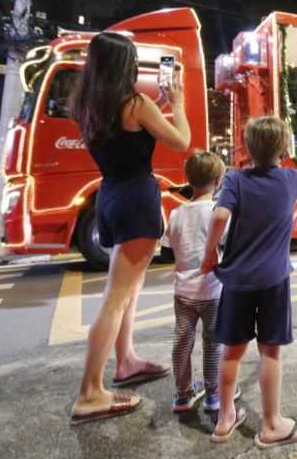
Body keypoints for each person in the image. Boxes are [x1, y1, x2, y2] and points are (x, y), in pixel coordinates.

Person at [69, 32, 191, 425]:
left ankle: (126, 360)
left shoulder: (88, 104)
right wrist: (179, 103)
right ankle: (89, 393)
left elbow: (129, 134)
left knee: (127, 290)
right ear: (126, 66)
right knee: (115, 298)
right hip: (137, 199)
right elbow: (182, 141)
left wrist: (158, 105)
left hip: (111, 195)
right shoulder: (135, 103)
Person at [201, 116, 297, 446]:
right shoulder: (291, 179)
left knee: (231, 352)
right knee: (270, 352)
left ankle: (224, 419)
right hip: (274, 281)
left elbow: (219, 216)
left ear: (247, 148)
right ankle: (271, 425)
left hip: (237, 280)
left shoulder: (236, 180)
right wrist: (289, 161)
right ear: (284, 148)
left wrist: (209, 254)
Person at [161, 152, 242, 413]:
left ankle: (183, 394)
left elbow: (170, 245)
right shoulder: (218, 213)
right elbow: (228, 246)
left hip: (183, 292)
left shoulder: (176, 213)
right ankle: (214, 394)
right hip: (213, 291)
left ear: (188, 179)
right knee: (213, 342)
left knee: (182, 341)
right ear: (219, 181)